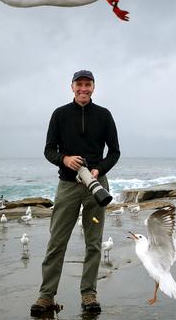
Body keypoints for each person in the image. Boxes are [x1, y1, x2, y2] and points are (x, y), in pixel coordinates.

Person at [31, 70, 120, 317]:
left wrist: (97, 169)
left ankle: (88, 294)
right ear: (71, 87)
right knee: (56, 242)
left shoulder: (104, 115)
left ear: (94, 87)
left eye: (87, 84)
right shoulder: (59, 114)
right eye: (79, 84)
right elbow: (49, 150)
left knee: (93, 244)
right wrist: (65, 159)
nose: (83, 88)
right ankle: (46, 296)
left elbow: (114, 152)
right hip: (68, 186)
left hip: (96, 185)